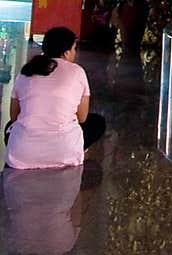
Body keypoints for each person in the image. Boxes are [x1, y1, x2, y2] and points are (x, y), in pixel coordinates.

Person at [4, 27, 105, 169]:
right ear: (66, 52)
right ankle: (72, 149)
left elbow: (14, 117)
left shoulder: (27, 70)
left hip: (21, 155)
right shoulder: (77, 71)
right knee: (98, 122)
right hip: (65, 152)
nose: (75, 53)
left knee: (9, 127)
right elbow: (82, 118)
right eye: (74, 49)